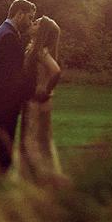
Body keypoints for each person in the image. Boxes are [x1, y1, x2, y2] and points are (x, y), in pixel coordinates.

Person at [0, 0, 36, 179]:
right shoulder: (8, 37)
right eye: (29, 18)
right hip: (4, 103)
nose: (30, 22)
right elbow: (13, 76)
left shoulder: (4, 32)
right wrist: (32, 93)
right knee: (4, 146)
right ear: (19, 14)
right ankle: (0, 184)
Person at [18, 16, 67, 185]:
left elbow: (55, 71)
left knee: (31, 141)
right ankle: (44, 179)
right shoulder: (33, 48)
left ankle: (37, 180)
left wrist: (45, 89)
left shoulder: (40, 51)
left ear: (43, 33)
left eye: (37, 23)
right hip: (37, 101)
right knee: (42, 141)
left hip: (36, 102)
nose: (32, 23)